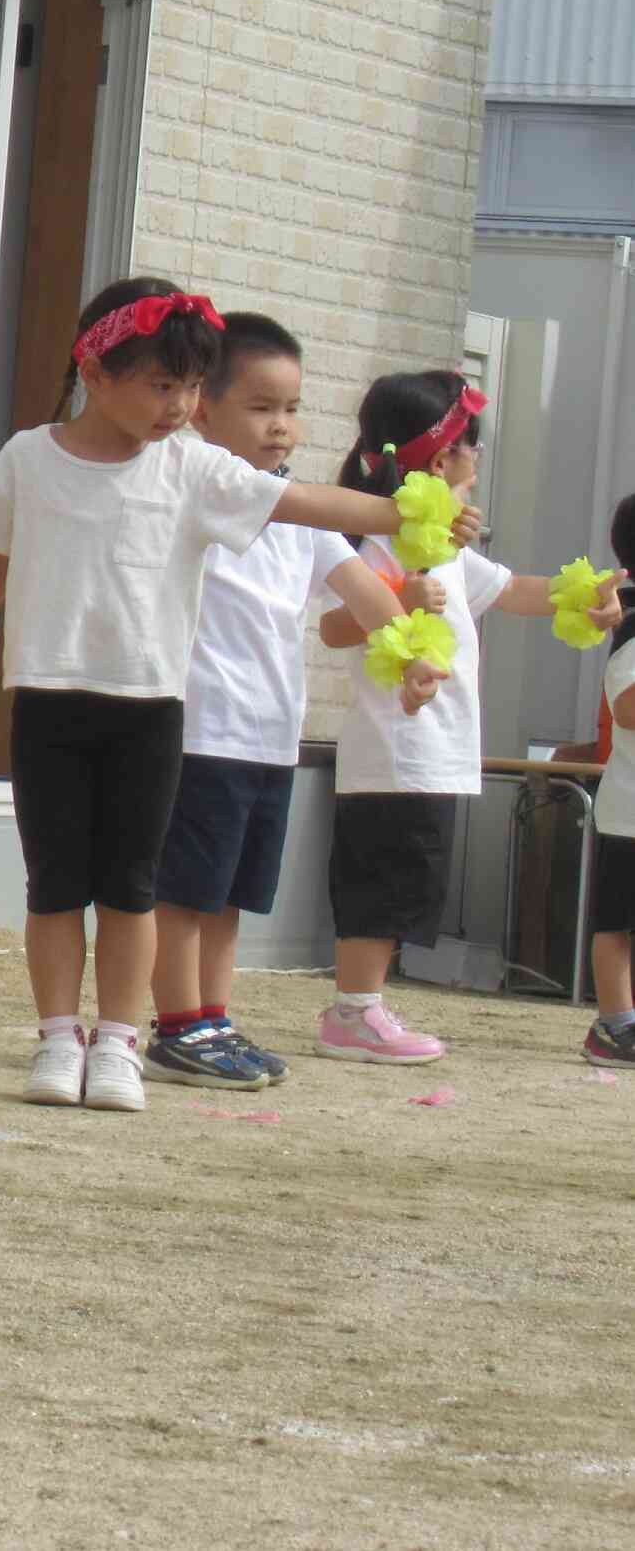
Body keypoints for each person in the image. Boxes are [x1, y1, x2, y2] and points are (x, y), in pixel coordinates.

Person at [0, 280, 463, 1113]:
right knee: (54, 883)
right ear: (95, 370)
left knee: (133, 887)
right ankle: (61, 1036)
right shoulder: (28, 456)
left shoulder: (196, 467)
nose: (179, 405)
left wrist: (406, 513)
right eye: (162, 385)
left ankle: (123, 1042)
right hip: (50, 699)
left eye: (192, 387)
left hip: (151, 706)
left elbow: (308, 503)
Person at [147, 314, 435, 1092]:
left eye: (293, 407)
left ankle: (213, 1016)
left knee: (231, 895)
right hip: (202, 727)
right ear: (202, 406)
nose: (283, 427)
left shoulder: (297, 511)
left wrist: (412, 655)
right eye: (262, 406)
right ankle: (175, 1024)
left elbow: (362, 589)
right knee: (184, 892)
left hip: (271, 736)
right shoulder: (192, 486)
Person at [310, 370, 619, 1064]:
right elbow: (333, 628)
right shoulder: (380, 539)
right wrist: (397, 590)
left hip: (435, 749)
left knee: (412, 880)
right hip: (393, 746)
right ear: (441, 459)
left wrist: (584, 591)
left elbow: (514, 589)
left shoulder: (446, 550)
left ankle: (365, 1003)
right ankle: (353, 1009)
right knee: (382, 877)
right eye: (470, 444)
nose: (477, 460)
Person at [576, 494, 635, 1064]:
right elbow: (628, 708)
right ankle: (615, 1025)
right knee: (617, 921)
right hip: (630, 812)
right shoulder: (633, 623)